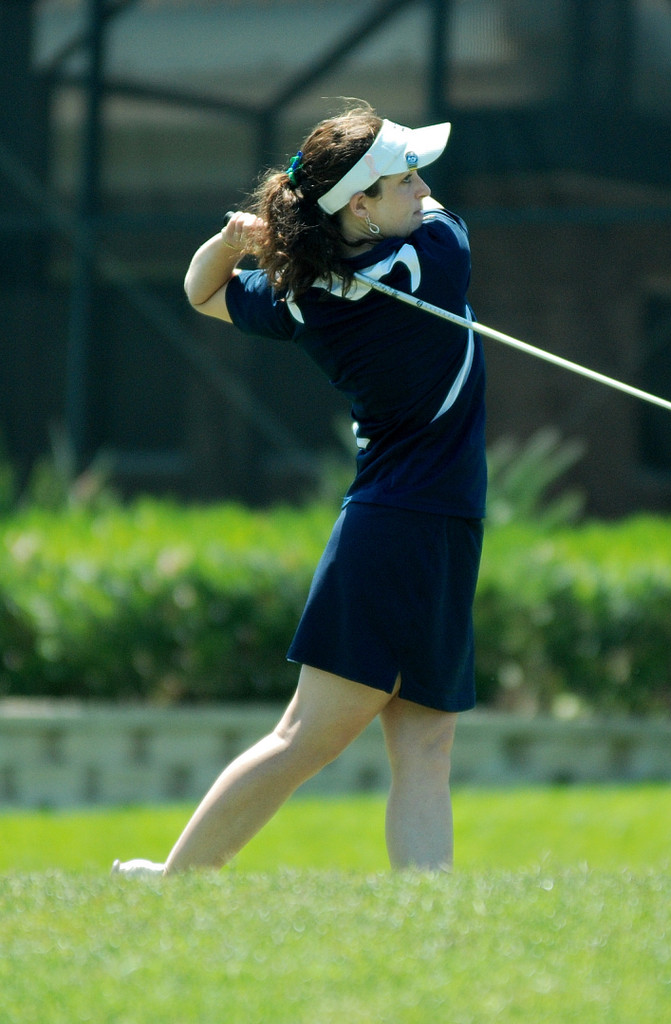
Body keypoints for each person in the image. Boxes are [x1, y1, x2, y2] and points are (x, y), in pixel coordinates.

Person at [112, 100, 486, 877]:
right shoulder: (437, 254)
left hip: (428, 519)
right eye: (405, 179)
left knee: (425, 739)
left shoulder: (301, 298)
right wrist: (308, 228)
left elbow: (202, 293)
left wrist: (231, 242)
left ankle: (432, 917)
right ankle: (176, 882)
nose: (422, 190)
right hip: (404, 525)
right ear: (361, 205)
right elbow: (432, 219)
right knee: (306, 737)